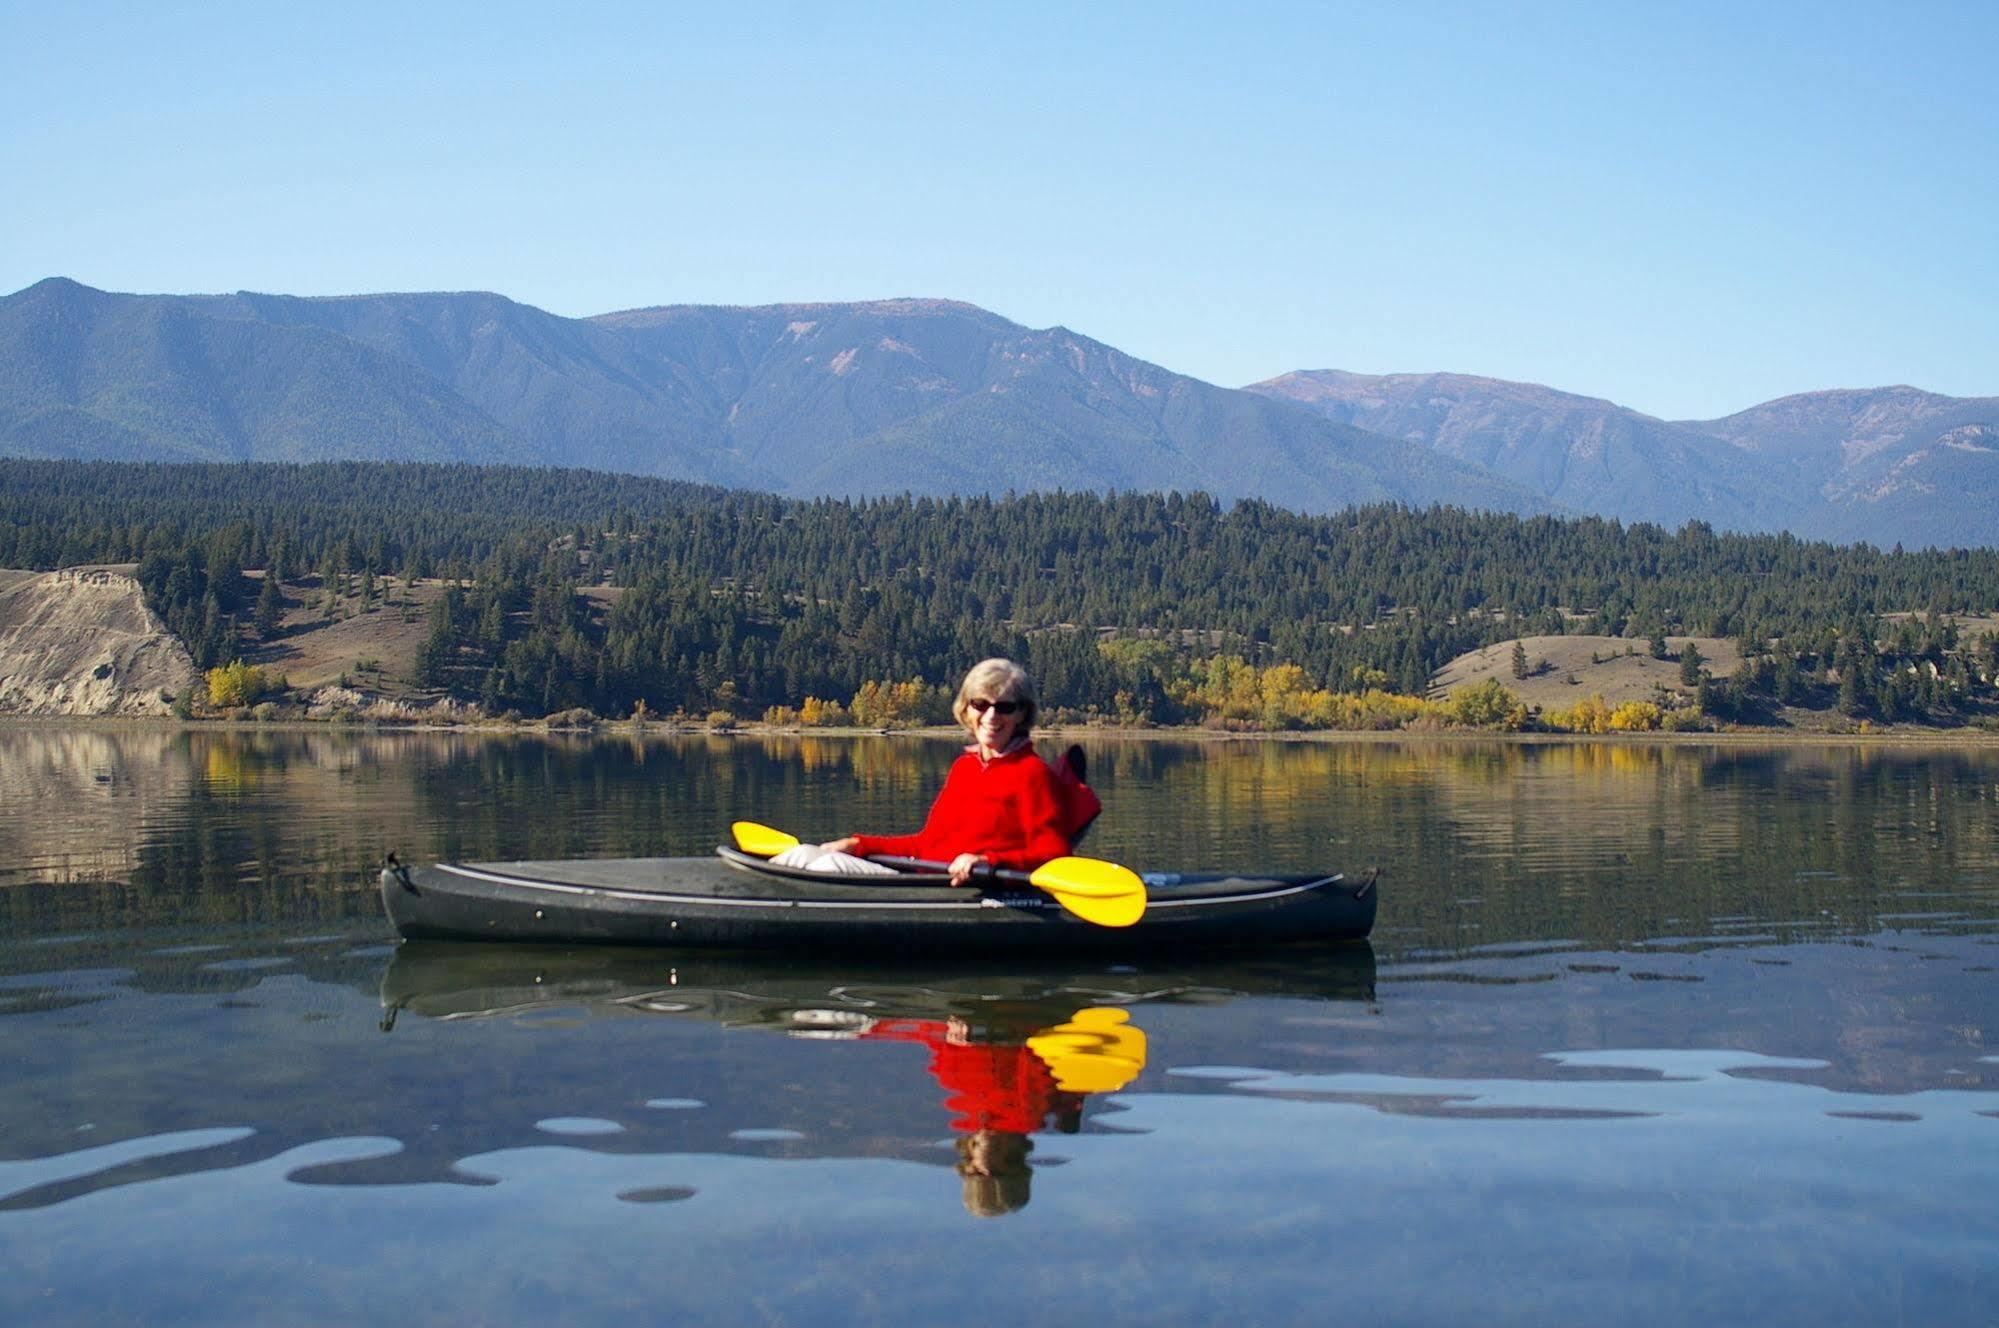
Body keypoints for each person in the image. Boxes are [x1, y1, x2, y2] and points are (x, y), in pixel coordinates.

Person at [772, 658, 1097, 886]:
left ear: (1021, 714)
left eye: (1005, 706)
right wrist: (859, 844)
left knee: (827, 865)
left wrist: (989, 861)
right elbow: (926, 845)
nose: (991, 716)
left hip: (962, 887)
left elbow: (1054, 853)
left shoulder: (1032, 773)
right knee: (802, 853)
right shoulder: (965, 768)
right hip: (926, 875)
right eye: (981, 704)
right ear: (967, 710)